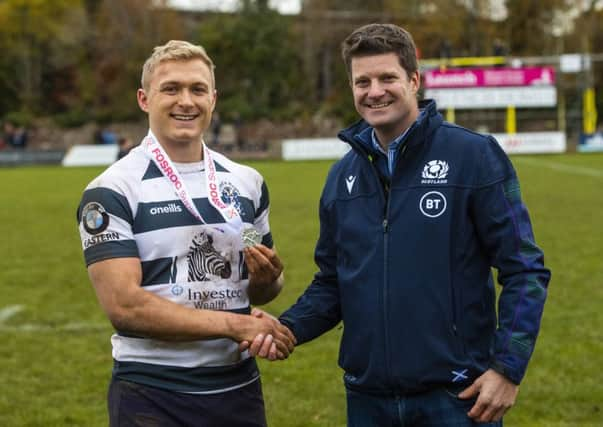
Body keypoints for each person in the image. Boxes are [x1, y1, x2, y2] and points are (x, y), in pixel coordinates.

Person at [251, 24, 551, 426]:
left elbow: (525, 269)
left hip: (457, 397)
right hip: (367, 399)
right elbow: (334, 282)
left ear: (413, 80)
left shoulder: (474, 157)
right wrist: (286, 327)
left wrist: (508, 369)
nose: (374, 91)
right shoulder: (341, 178)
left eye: (387, 77)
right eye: (363, 81)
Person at [76, 40, 295, 427]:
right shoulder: (112, 190)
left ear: (213, 98)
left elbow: (261, 288)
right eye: (171, 88)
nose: (186, 101)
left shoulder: (246, 183)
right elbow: (124, 307)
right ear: (144, 99)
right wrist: (235, 325)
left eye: (197, 89)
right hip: (153, 393)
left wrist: (266, 279)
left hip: (237, 389)